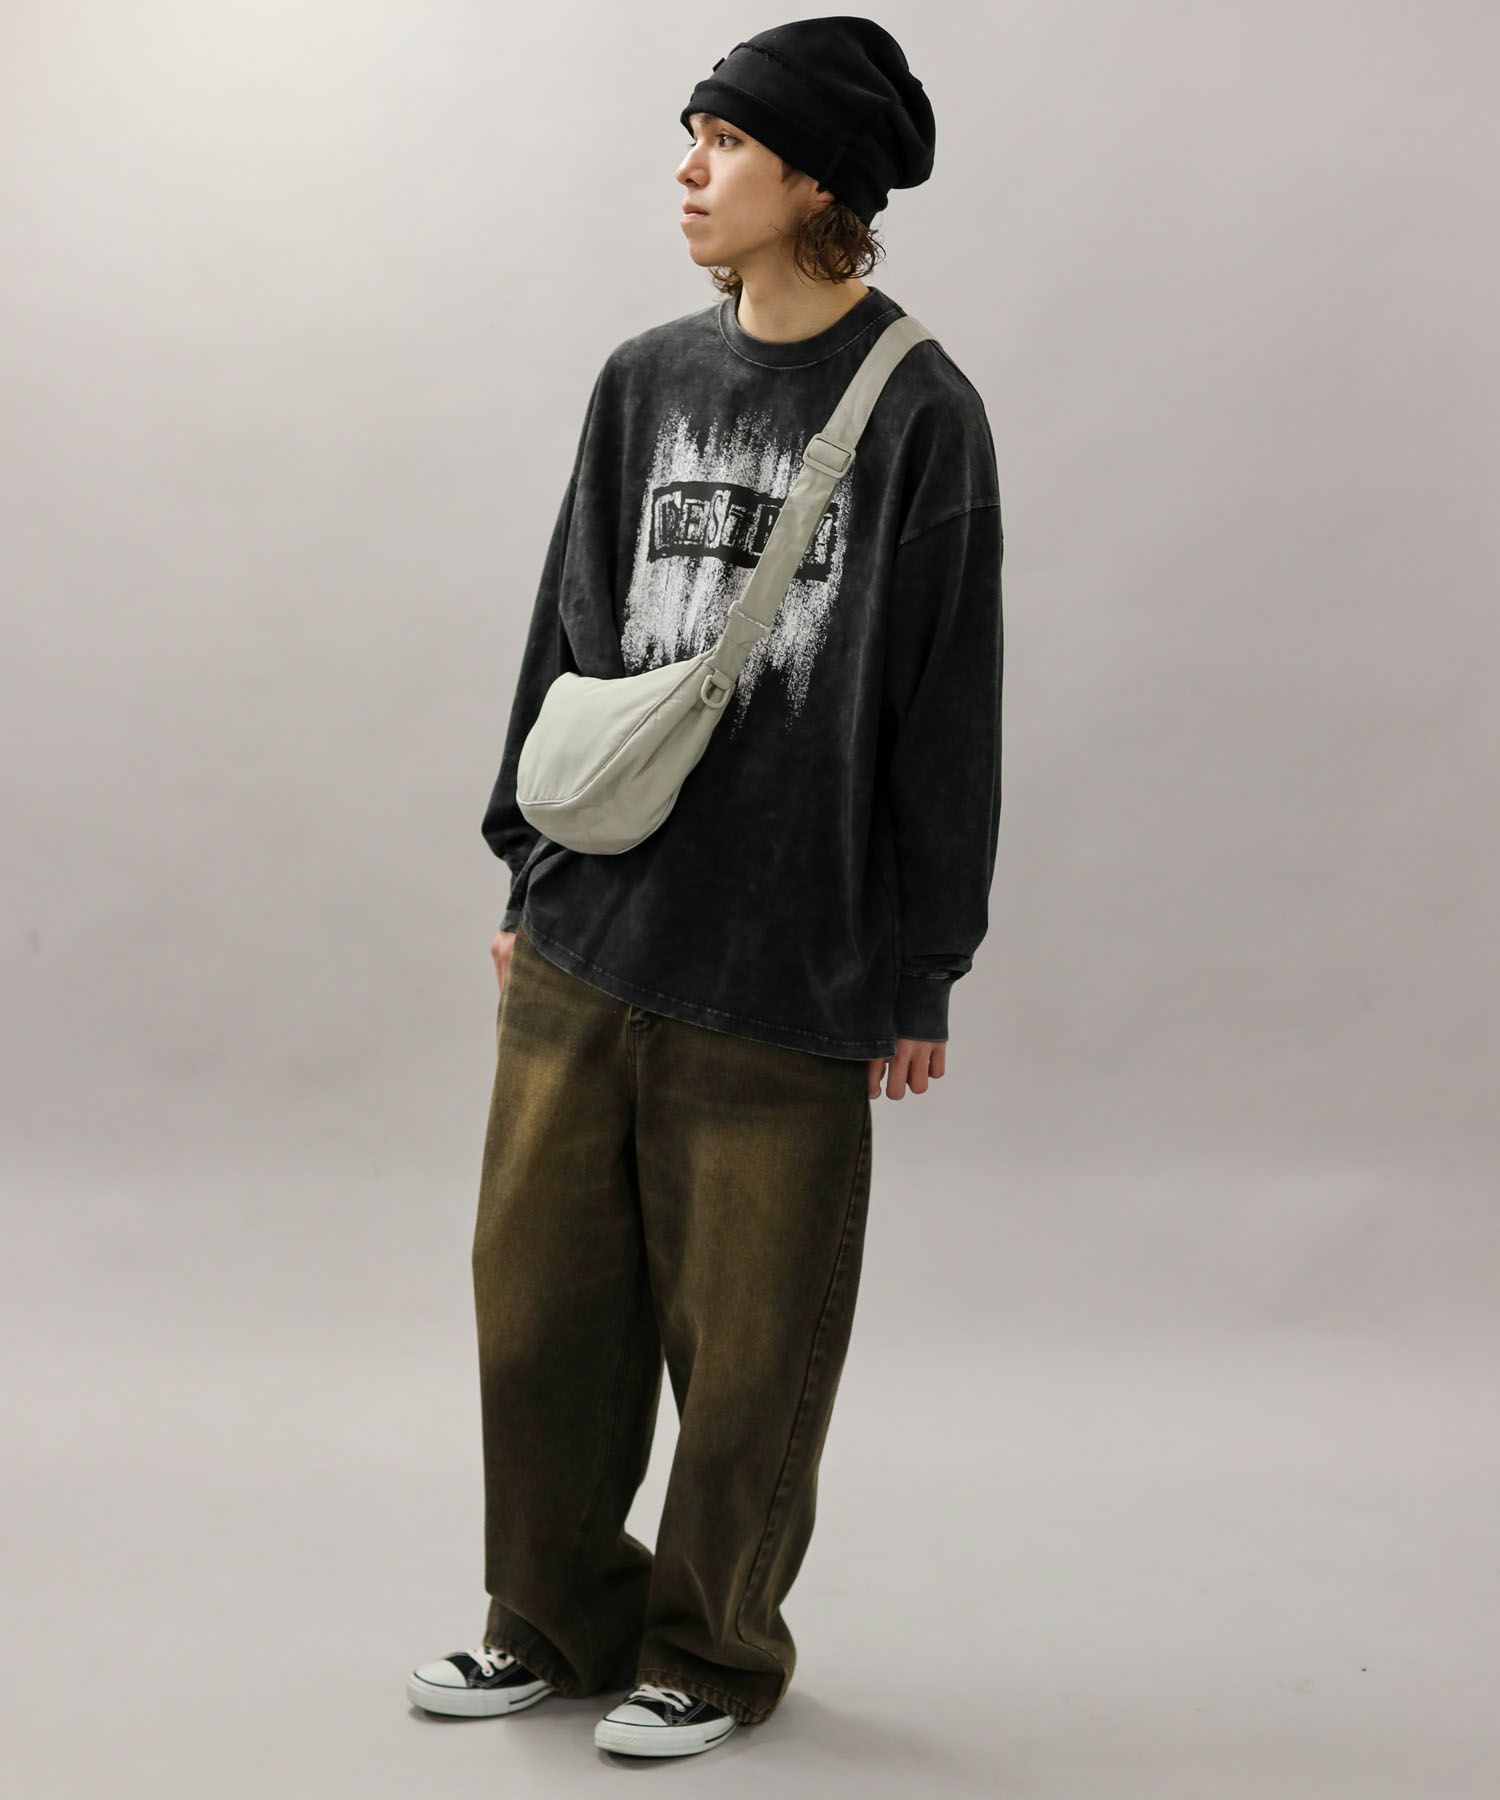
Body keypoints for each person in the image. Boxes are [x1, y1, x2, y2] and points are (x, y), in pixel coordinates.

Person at [406, 16, 1004, 1761]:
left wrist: (923, 970)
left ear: (819, 180)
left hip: (785, 964)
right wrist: (525, 866)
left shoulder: (922, 415)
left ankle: (713, 1652)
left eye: (725, 141)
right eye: (692, 135)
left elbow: (945, 706)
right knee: (537, 1318)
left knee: (748, 1355)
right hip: (592, 938)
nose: (687, 170)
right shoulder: (644, 380)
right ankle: (548, 1619)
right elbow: (569, 628)